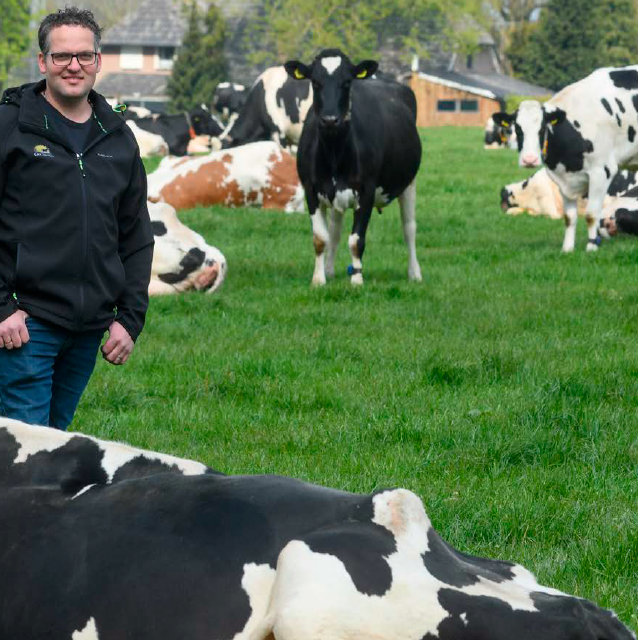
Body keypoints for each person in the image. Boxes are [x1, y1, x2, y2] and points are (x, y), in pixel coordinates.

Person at [0, 7, 154, 430]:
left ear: (98, 61)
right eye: (62, 56)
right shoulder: (11, 127)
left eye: (84, 56)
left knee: (53, 444)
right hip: (26, 325)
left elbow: (136, 234)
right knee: (25, 458)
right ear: (43, 62)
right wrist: (2, 307)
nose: (74, 66)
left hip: (88, 328)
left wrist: (130, 318)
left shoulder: (117, 136)